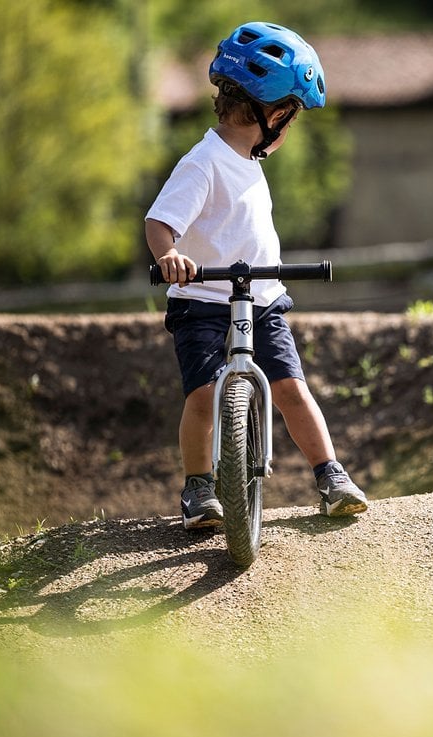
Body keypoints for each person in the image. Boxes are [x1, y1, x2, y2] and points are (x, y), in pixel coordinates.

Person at [146, 21, 368, 529]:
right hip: (201, 298)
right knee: (203, 394)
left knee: (291, 387)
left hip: (262, 298)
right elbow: (159, 222)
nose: (289, 130)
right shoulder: (203, 163)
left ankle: (331, 475)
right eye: (292, 118)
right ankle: (199, 488)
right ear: (274, 114)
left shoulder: (249, 160)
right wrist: (169, 256)